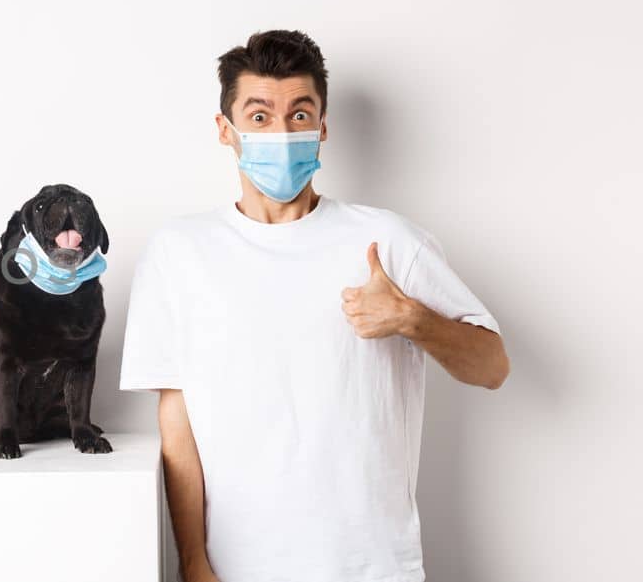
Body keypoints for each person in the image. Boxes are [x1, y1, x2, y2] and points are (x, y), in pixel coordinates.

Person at [117, 30, 510, 582]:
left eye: (299, 116)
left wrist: (412, 319)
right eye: (259, 117)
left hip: (373, 567)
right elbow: (177, 423)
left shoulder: (388, 241)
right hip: (238, 568)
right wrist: (193, 560)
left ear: (322, 128)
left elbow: (493, 367)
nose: (281, 132)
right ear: (224, 131)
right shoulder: (179, 251)